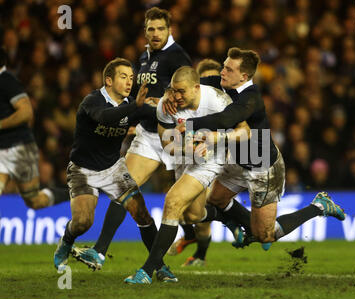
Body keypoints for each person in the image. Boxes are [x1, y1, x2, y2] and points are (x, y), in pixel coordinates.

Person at [167, 48, 346, 251]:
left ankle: (319, 206)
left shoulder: (251, 99)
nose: (222, 72)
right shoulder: (222, 83)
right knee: (216, 199)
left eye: (228, 69)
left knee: (266, 235)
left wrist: (189, 124)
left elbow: (226, 119)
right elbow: (190, 85)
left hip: (263, 168)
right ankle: (241, 227)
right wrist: (167, 94)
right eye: (224, 67)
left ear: (243, 76)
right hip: (237, 160)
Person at [71, 7, 194, 269]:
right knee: (123, 189)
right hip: (149, 135)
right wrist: (132, 118)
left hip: (175, 135)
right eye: (151, 29)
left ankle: (232, 219)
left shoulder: (177, 56)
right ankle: (99, 252)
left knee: (197, 210)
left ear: (169, 30)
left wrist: (161, 102)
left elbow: (188, 94)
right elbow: (138, 96)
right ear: (145, 32)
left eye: (161, 28)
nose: (156, 33)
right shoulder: (143, 58)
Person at [53, 57, 177, 283]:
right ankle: (67, 241)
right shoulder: (92, 101)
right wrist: (136, 107)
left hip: (113, 168)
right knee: (83, 222)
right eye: (123, 77)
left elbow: (157, 115)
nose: (129, 82)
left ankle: (159, 266)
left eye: (131, 78)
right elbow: (105, 117)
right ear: (108, 80)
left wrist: (168, 108)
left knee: (143, 215)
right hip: (83, 170)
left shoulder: (132, 104)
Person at [124, 66, 249, 284]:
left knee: (172, 202)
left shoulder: (217, 101)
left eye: (181, 91)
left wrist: (216, 139)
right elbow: (166, 143)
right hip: (185, 157)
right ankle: (226, 218)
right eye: (173, 90)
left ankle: (147, 271)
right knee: (191, 216)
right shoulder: (167, 105)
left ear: (196, 88)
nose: (177, 96)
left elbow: (245, 131)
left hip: (209, 159)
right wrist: (186, 149)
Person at [167, 58, 222, 267]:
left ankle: (200, 254)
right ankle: (191, 236)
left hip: (216, 161)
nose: (209, 83)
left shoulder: (220, 103)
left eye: (213, 79)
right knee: (187, 211)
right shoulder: (183, 104)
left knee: (201, 210)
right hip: (186, 159)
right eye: (205, 78)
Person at [0, 47, 69, 209]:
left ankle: (72, 193)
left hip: (20, 148)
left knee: (34, 201)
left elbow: (26, 111)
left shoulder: (6, 81)